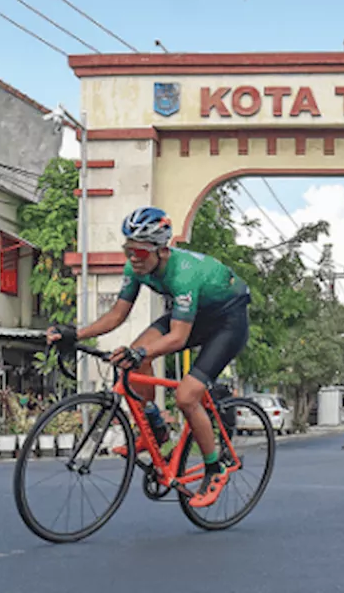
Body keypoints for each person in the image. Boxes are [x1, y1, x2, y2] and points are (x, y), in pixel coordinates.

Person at [45, 206, 251, 509]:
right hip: (194, 316)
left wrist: (140, 350)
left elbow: (178, 338)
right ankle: (156, 428)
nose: (133, 258)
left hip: (227, 322)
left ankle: (215, 468)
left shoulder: (184, 274)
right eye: (128, 250)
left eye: (140, 252)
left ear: (161, 250)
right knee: (135, 361)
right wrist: (77, 334)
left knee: (186, 396)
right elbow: (117, 314)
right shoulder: (135, 268)